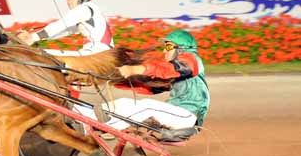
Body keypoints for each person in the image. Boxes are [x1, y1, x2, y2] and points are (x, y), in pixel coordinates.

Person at [77, 29, 210, 141]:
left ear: (182, 48)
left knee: (146, 106)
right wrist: (116, 80)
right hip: (177, 113)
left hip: (187, 115)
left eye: (168, 46)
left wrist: (135, 69)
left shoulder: (192, 60)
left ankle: (98, 127)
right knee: (126, 102)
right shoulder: (177, 74)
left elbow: (168, 69)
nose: (164, 51)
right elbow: (151, 86)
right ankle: (83, 113)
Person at [18, 0, 114, 55]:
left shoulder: (84, 9)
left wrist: (33, 37)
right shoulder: (88, 12)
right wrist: (33, 37)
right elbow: (64, 31)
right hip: (98, 53)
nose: (67, 0)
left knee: (38, 56)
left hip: (96, 52)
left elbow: (60, 25)